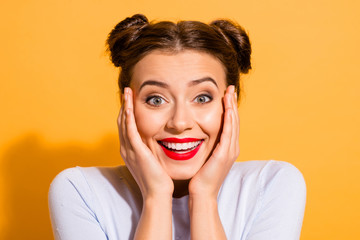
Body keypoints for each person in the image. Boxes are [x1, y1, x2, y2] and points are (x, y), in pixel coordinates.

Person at [48, 14, 306, 240]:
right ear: (126, 105)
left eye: (202, 98)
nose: (180, 123)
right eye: (156, 99)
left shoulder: (272, 184)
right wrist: (156, 197)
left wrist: (204, 197)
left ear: (230, 103)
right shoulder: (80, 191)